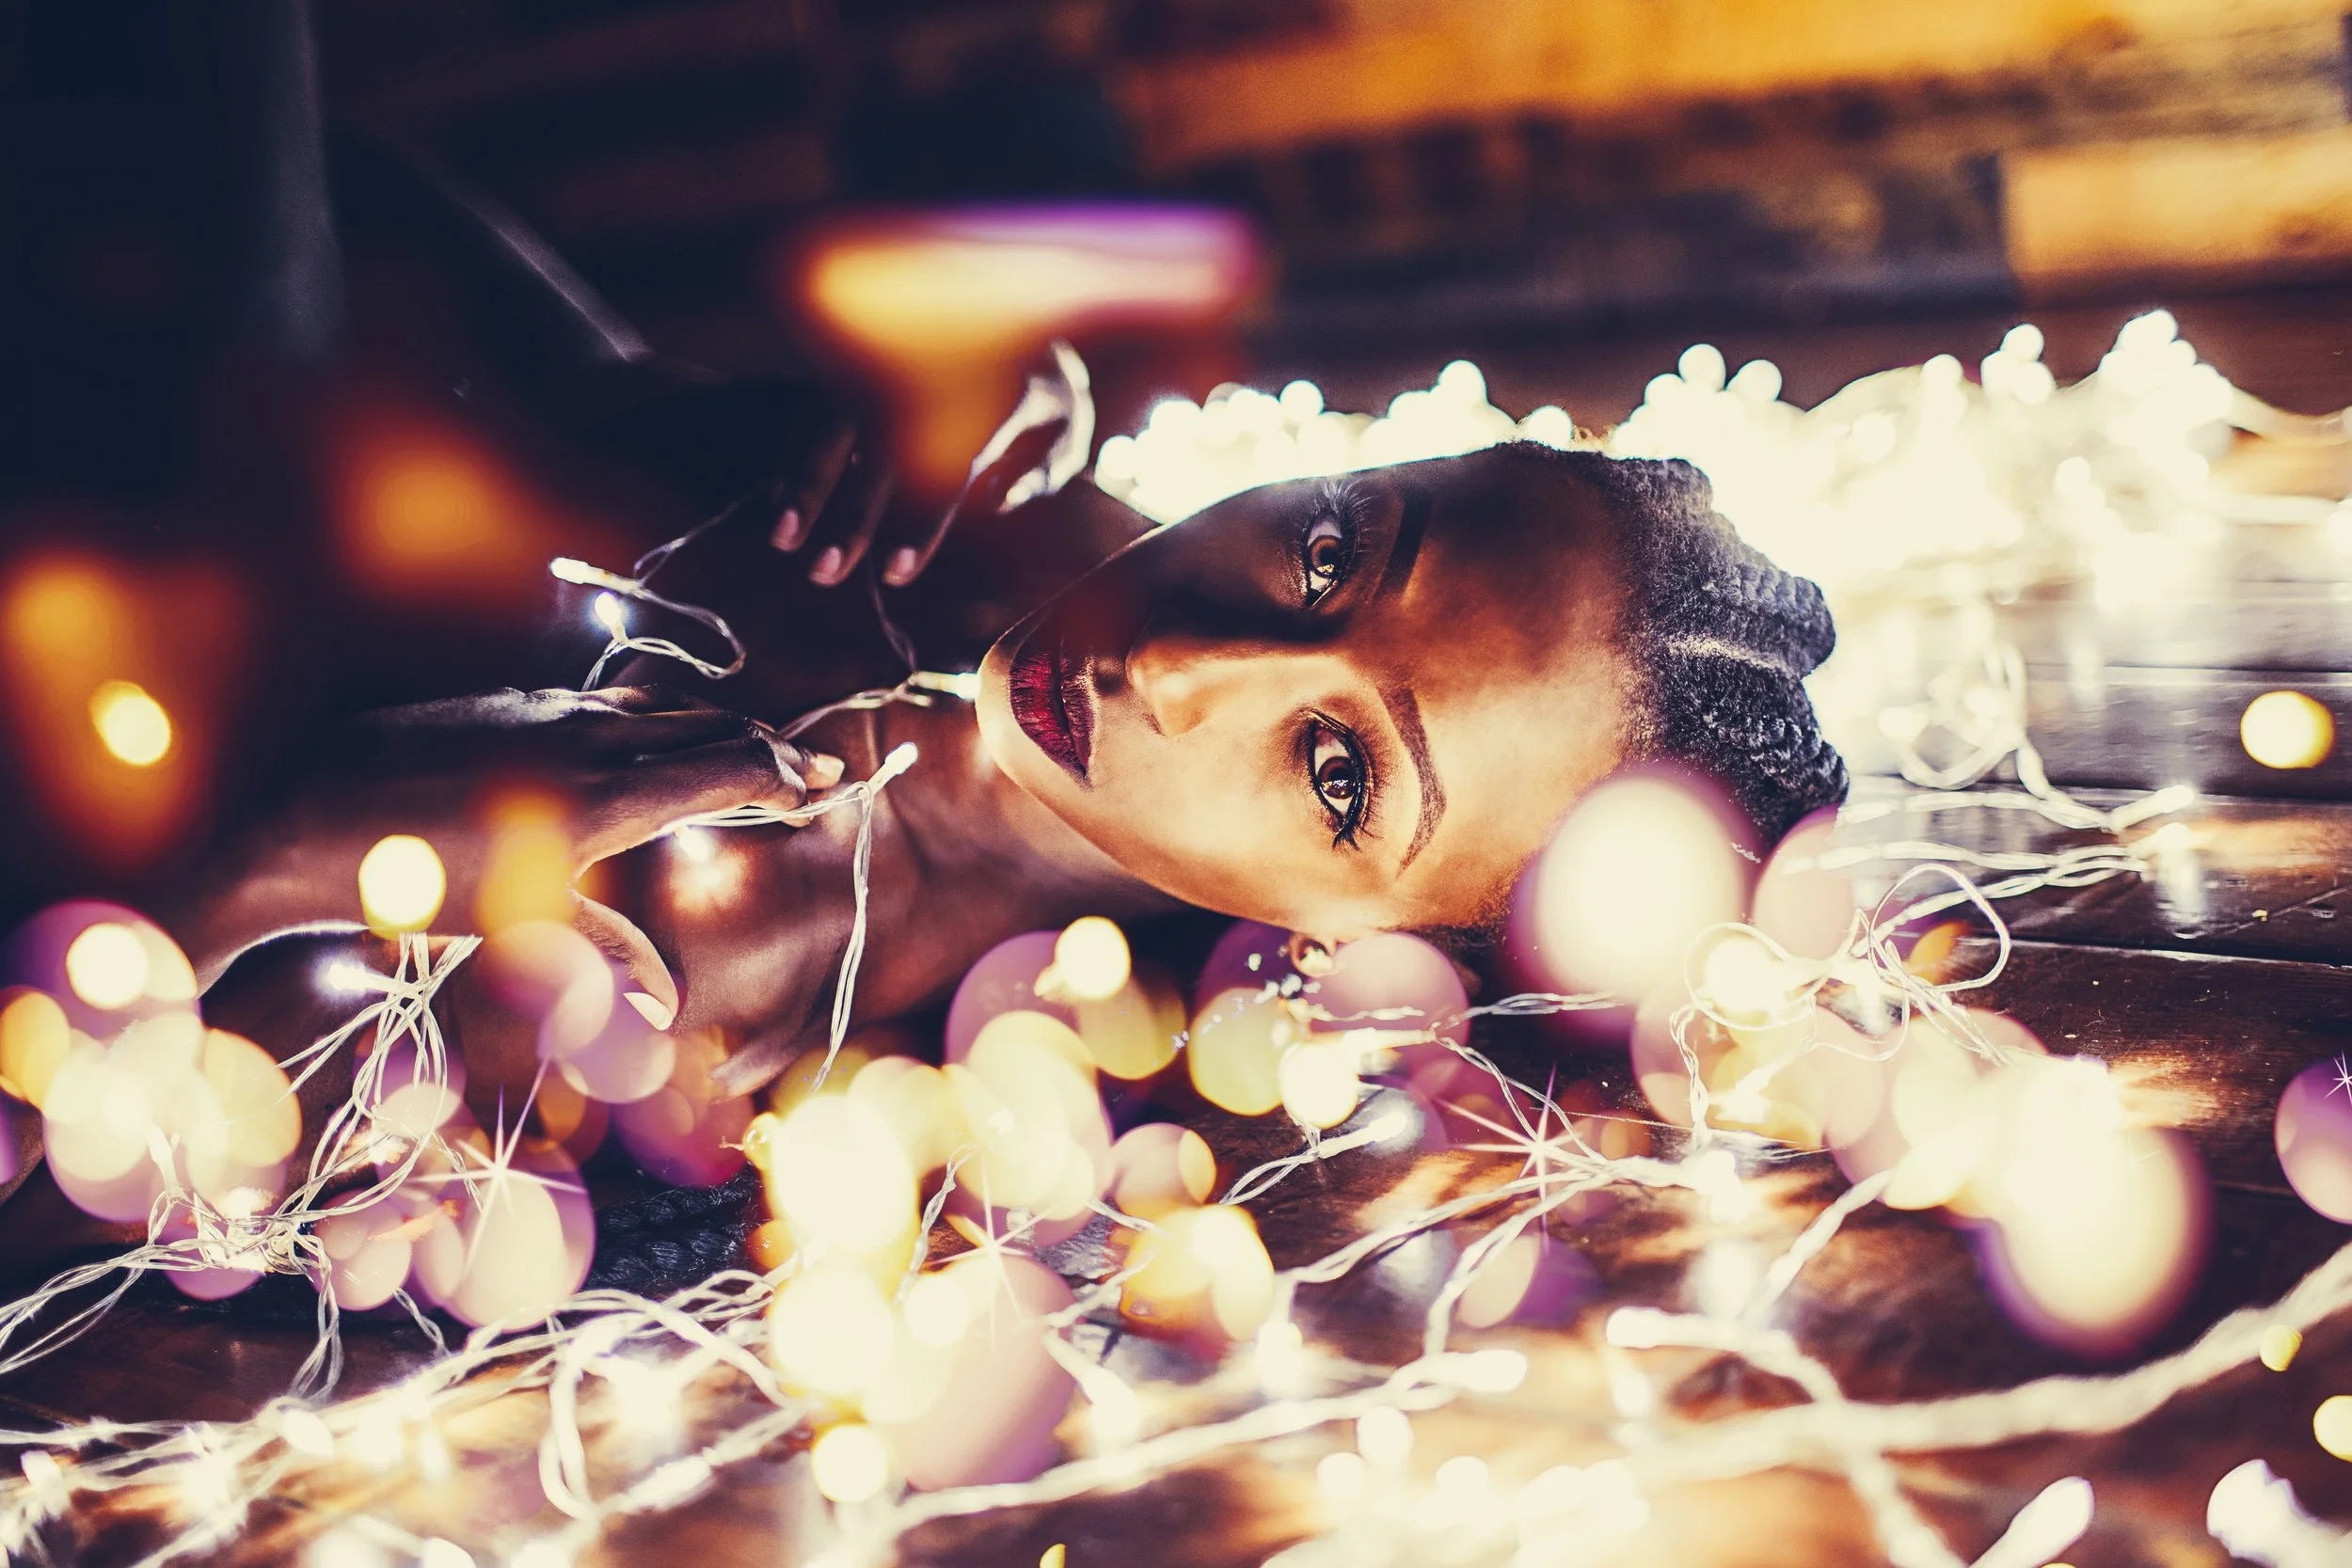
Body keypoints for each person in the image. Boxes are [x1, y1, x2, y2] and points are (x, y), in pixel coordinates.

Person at [159, 439, 1847, 1101]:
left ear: (1368, 947)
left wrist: (261, 869)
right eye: (1331, 550)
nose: (1184, 662)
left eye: (1339, 776)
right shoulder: (949, 476)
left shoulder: (706, 1018)